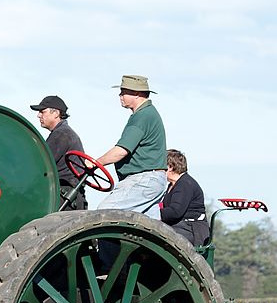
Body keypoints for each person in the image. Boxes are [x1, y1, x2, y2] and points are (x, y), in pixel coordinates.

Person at [88, 75, 167, 218]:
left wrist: (95, 163)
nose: (120, 95)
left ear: (137, 93)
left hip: (144, 180)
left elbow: (120, 151)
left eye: (124, 92)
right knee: (148, 230)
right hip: (151, 180)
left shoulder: (142, 116)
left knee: (105, 213)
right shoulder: (148, 114)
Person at [30, 95, 88, 210]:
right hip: (71, 197)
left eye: (42, 111)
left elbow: (40, 165)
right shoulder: (65, 133)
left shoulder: (61, 135)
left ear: (56, 113)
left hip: (64, 198)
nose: (38, 115)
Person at [161, 149, 211, 247]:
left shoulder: (185, 184)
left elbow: (175, 212)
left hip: (191, 230)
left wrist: (152, 213)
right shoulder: (172, 185)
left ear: (170, 167)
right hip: (180, 226)